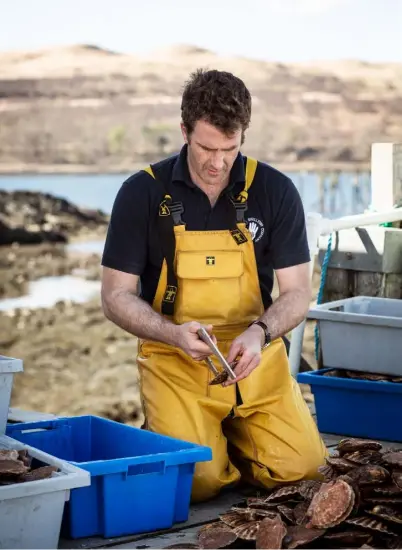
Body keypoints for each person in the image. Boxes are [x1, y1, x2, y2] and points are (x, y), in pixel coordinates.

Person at [101, 68, 327, 502]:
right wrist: (172, 334)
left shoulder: (276, 190)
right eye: (206, 147)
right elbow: (115, 297)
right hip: (176, 357)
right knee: (197, 485)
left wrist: (260, 333)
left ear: (244, 134)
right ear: (184, 130)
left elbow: (298, 292)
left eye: (230, 148)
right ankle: (193, 438)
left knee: (306, 472)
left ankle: (231, 441)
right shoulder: (141, 193)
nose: (217, 163)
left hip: (255, 356)